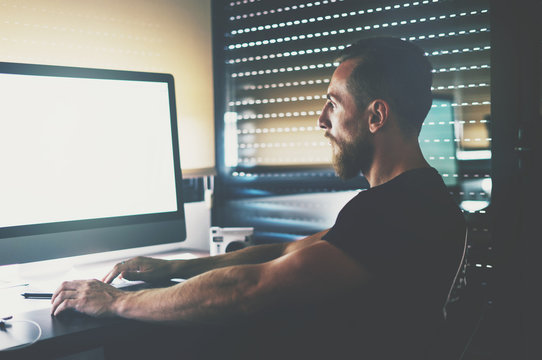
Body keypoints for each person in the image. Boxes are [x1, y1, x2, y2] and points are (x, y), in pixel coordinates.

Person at [51, 37, 466, 359]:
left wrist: (118, 302)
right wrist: (173, 267)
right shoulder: (413, 199)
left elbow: (248, 288)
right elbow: (289, 249)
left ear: (376, 116)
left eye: (333, 104)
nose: (322, 120)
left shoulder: (399, 211)